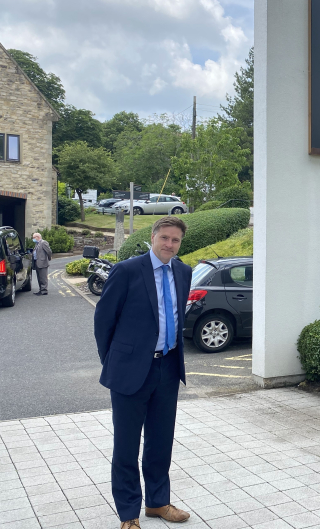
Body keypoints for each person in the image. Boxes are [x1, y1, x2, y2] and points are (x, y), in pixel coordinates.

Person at [94, 216, 193, 529]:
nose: (169, 244)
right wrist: (114, 361)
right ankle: (128, 514)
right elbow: (104, 321)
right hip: (130, 370)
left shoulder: (183, 271)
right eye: (164, 238)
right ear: (153, 237)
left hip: (168, 367)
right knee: (126, 446)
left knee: (160, 442)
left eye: (175, 240)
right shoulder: (127, 270)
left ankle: (157, 502)